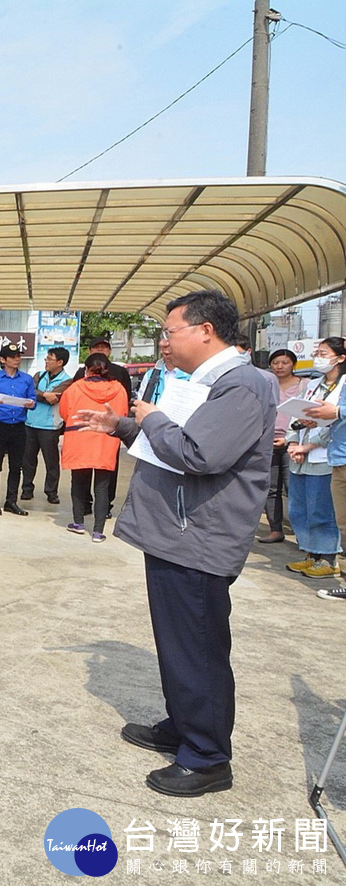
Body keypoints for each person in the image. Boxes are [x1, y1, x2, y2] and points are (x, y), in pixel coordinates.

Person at [77, 290, 274, 797]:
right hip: (180, 535)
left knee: (199, 647)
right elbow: (179, 441)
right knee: (178, 643)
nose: (166, 341)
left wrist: (149, 417)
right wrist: (121, 425)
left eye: (170, 331)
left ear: (205, 330)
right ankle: (184, 725)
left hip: (200, 538)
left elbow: (199, 452)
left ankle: (207, 756)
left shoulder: (242, 387)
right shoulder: (209, 384)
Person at [282, 338, 345, 579]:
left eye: (323, 353)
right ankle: (310, 553)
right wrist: (293, 442)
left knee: (322, 510)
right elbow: (295, 413)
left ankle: (327, 558)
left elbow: (334, 425)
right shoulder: (313, 384)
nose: (318, 357)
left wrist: (308, 445)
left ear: (340, 357)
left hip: (323, 456)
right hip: (300, 456)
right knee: (300, 509)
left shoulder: (343, 387)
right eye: (316, 352)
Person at [59, 353, 127, 541]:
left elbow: (64, 412)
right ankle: (98, 531)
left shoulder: (75, 388)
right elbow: (121, 414)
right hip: (106, 440)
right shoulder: (119, 389)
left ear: (87, 370)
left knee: (79, 482)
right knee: (102, 487)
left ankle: (79, 523)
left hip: (79, 438)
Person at [0, 344, 36, 516]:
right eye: (13, 357)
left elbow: (33, 401)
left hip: (19, 427)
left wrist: (31, 403)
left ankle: (11, 501)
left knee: (16, 466)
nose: (17, 359)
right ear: (3, 360)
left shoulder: (26, 379)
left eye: (18, 356)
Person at [259, 348, 303, 543]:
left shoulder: (305, 385)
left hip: (294, 442)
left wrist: (289, 439)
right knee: (270, 487)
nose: (280, 366)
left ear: (293, 364)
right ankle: (275, 529)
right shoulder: (265, 383)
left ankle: (302, 533)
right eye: (276, 362)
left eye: (285, 362)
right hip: (268, 440)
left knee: (292, 487)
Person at [21, 347, 72, 505]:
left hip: (50, 426)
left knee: (51, 462)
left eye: (50, 358)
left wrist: (39, 395)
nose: (46, 361)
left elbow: (54, 399)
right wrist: (44, 394)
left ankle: (51, 492)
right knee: (28, 460)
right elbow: (29, 393)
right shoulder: (39, 375)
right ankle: (27, 489)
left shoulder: (67, 380)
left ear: (60, 362)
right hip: (30, 423)